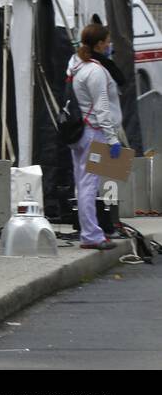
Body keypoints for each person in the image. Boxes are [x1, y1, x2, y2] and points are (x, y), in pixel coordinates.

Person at [65, 22, 121, 251]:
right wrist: (113, 138)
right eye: (107, 42)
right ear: (99, 44)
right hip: (94, 132)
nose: (109, 46)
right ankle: (91, 235)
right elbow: (102, 107)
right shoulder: (96, 71)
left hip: (79, 132)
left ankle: (90, 231)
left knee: (82, 183)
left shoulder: (75, 65)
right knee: (90, 184)